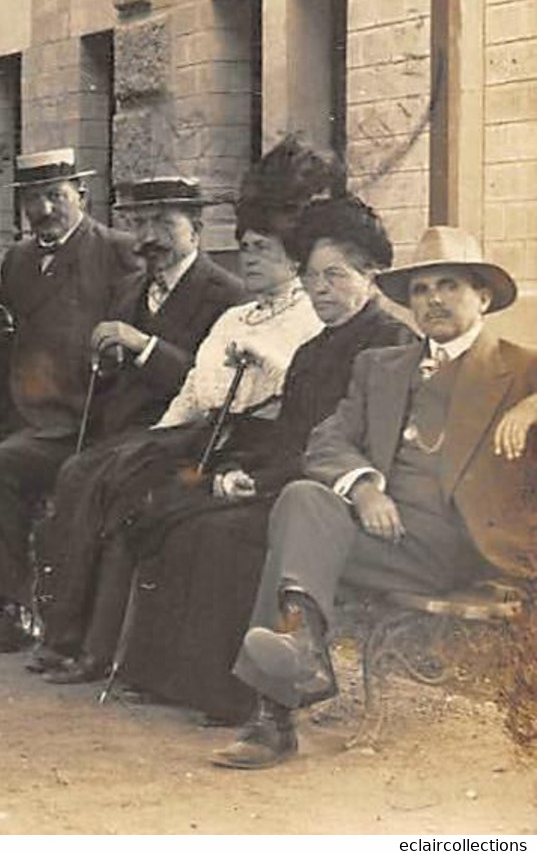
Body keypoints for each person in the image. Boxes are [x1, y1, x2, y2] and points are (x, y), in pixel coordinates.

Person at [212, 226, 536, 770]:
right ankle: (294, 670)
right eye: (420, 289)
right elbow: (328, 439)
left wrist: (533, 407)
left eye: (448, 285)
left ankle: (283, 692)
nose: (432, 299)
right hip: (389, 537)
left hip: (466, 545)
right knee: (301, 500)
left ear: (482, 296)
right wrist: (363, 488)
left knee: (291, 532)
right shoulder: (381, 366)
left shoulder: (521, 366)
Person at [113, 196, 416, 720]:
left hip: (342, 498)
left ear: (370, 273)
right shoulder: (314, 351)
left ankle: (233, 695)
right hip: (294, 477)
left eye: (336, 276)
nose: (321, 289)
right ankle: (174, 678)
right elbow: (290, 440)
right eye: (312, 277)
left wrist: (273, 482)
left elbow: (369, 446)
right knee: (179, 514)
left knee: (226, 534)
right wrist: (244, 474)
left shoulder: (392, 341)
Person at [27, 190, 326, 680]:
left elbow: (287, 395)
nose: (249, 258)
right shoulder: (236, 317)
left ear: (295, 260)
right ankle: (73, 636)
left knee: (129, 496)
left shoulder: (306, 318)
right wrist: (153, 442)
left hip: (246, 448)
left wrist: (257, 364)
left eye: (263, 250)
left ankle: (102, 652)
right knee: (99, 471)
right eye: (246, 247)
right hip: (193, 436)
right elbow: (191, 392)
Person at [0, 148, 142, 655]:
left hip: (99, 424)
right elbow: (8, 342)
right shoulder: (20, 260)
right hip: (34, 421)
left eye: (55, 196)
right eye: (33, 199)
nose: (45, 209)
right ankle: (8, 611)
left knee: (11, 471)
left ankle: (61, 619)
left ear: (82, 195)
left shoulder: (119, 252)